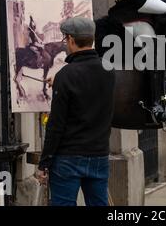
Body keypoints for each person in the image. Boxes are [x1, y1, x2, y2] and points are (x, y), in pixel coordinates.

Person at [36, 17, 115, 206]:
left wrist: (44, 163)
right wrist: (61, 83)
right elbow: (89, 90)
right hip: (99, 155)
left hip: (68, 158)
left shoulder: (66, 75)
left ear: (71, 40)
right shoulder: (109, 70)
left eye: (65, 40)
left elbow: (56, 124)